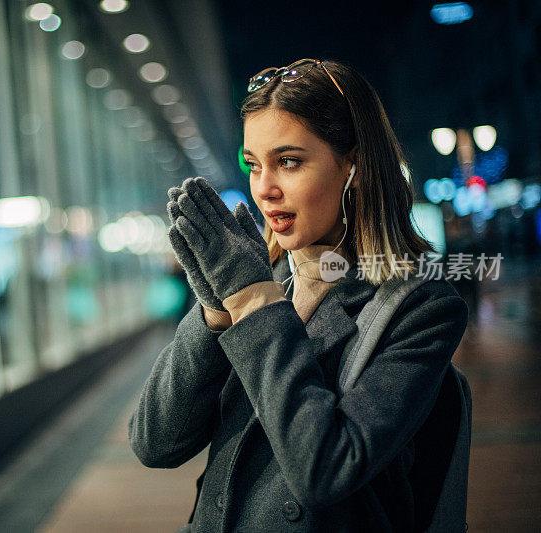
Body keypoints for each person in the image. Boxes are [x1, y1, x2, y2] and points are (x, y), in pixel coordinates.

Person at [128, 59, 469, 532]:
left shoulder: (419, 308)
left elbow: (325, 471)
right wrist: (213, 313)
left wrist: (254, 304)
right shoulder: (261, 279)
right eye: (254, 165)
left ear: (353, 165)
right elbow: (155, 443)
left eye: (289, 162)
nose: (265, 189)